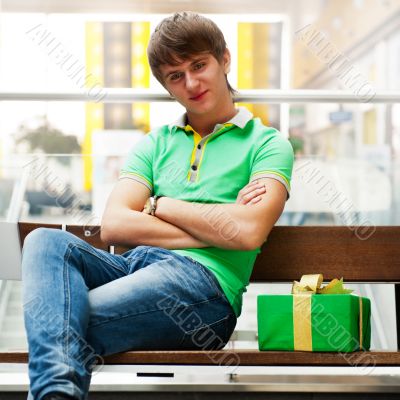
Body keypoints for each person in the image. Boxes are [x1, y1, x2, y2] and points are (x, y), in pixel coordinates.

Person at [21, 11, 294, 400]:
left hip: (203, 291)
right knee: (45, 242)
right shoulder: (155, 143)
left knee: (58, 318)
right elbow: (114, 226)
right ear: (167, 87)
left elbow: (248, 232)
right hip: (134, 267)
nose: (191, 82)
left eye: (199, 65)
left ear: (225, 60)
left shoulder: (267, 145)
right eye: (175, 76)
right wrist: (217, 230)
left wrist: (160, 203)